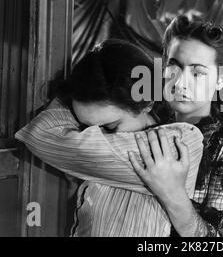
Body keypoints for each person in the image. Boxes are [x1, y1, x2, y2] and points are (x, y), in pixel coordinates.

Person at [16, 39, 204, 237]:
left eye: (110, 126)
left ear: (147, 103)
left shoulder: (179, 142)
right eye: (85, 128)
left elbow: (40, 134)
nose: (96, 137)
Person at [129, 15, 223, 236]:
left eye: (198, 73)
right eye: (174, 67)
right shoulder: (148, 125)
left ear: (221, 80)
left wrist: (172, 193)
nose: (181, 82)